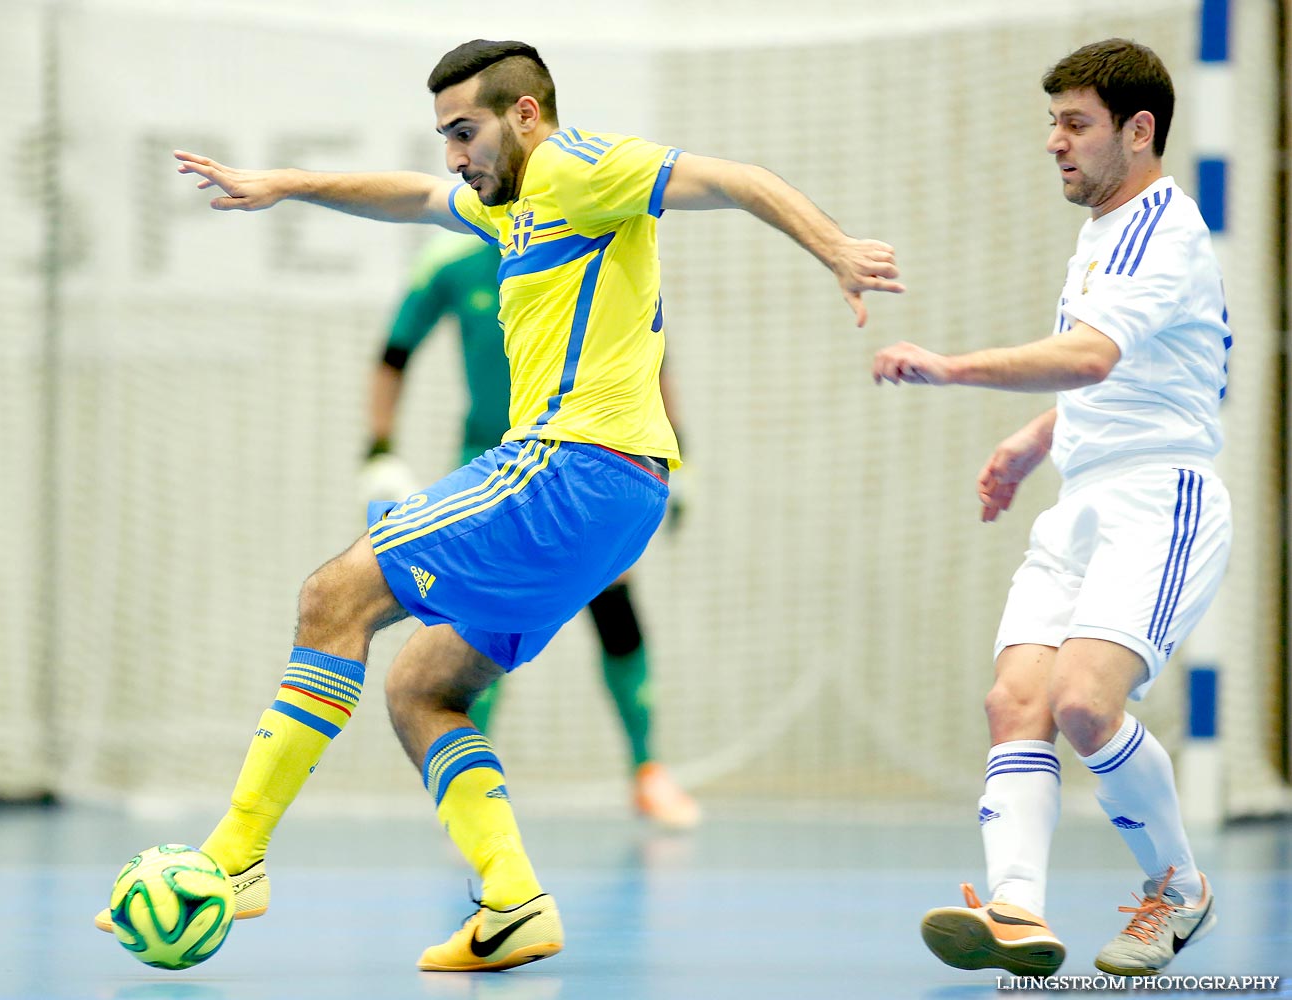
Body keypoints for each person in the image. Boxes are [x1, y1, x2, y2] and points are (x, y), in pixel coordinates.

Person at [94, 38, 902, 972]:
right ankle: (513, 903)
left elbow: (733, 178)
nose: (453, 155)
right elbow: (408, 196)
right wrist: (283, 182)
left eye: (465, 130)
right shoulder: (512, 207)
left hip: (569, 467)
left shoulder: (576, 166)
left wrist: (834, 246)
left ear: (524, 115)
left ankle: (233, 858)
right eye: (443, 134)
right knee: (420, 688)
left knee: (332, 597)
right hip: (611, 493)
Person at [872, 38, 1230, 979]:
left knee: (1081, 701)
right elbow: (1117, 373)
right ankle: (1016, 911)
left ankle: (1177, 888)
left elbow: (1090, 359)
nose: (1053, 143)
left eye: (1074, 124)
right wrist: (1035, 440)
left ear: (1137, 130)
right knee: (1015, 700)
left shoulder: (1164, 227)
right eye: (1052, 123)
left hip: (1160, 502)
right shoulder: (1101, 234)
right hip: (1081, 501)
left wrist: (949, 368)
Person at [361, 229, 701, 829]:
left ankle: (649, 770)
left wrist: (681, 453)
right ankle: (468, 789)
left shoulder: (586, 246)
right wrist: (379, 448)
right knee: (477, 621)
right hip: (489, 461)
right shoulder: (453, 263)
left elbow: (652, 355)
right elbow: (394, 352)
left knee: (614, 602)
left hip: (583, 461)